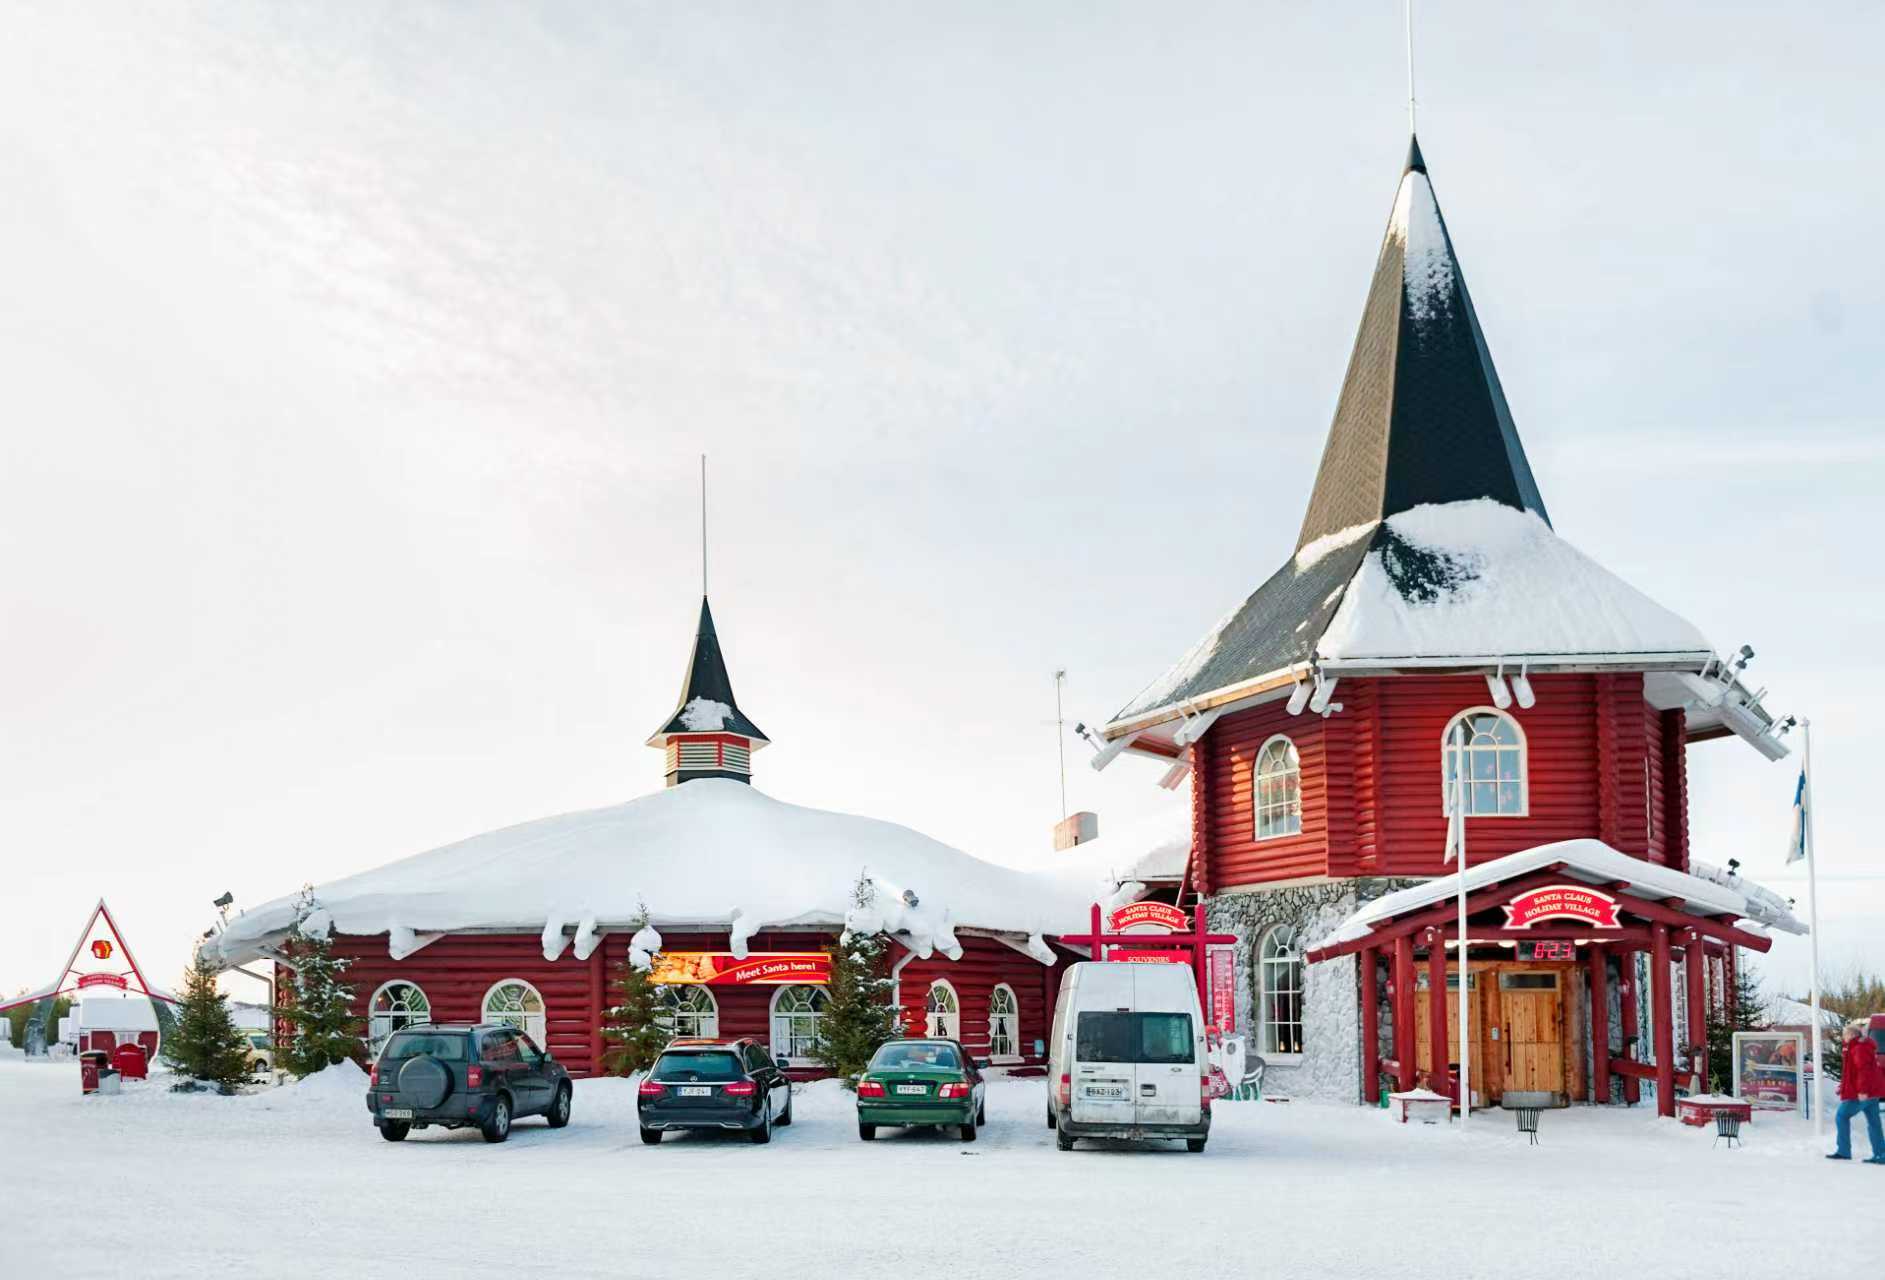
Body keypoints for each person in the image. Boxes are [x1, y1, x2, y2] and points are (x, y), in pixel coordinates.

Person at [1828, 1018, 1885, 1163]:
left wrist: (1862, 1091)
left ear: (1852, 1035)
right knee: (1874, 1122)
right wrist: (1844, 1086)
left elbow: (1863, 1071)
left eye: (1845, 1035)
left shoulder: (1858, 1048)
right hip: (1872, 1091)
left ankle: (1844, 1151)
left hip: (1863, 1092)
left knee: (1842, 1116)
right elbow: (1853, 1072)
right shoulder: (1862, 1047)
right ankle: (1880, 1154)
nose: (1843, 1038)